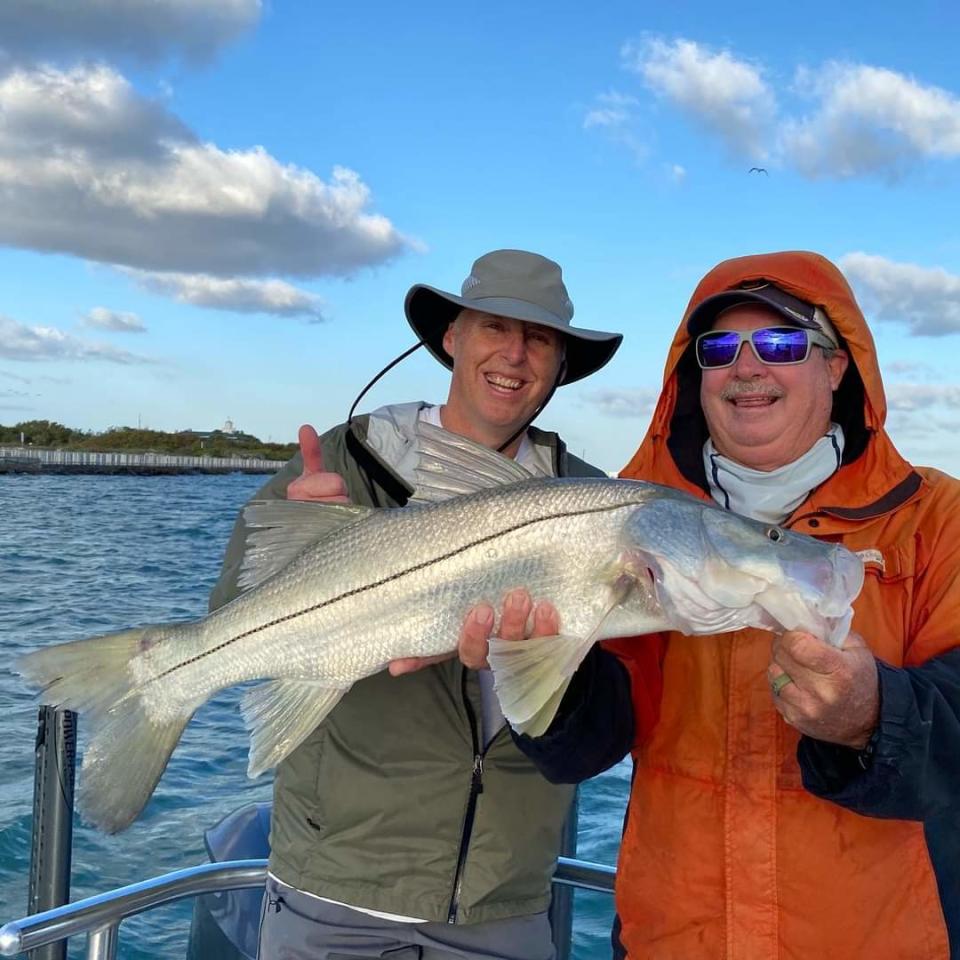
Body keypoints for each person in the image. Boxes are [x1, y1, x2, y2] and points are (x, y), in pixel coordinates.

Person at [466, 250, 960, 958]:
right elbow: (589, 747)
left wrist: (877, 717)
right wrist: (544, 663)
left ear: (837, 366)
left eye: (783, 343)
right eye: (720, 348)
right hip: (671, 938)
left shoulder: (940, 519)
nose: (748, 367)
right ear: (696, 377)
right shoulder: (629, 524)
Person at [209, 249, 623, 960]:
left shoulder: (592, 502)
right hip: (333, 896)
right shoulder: (341, 461)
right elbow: (229, 615)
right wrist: (307, 553)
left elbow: (605, 731)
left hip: (506, 907)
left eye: (541, 339)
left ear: (560, 365)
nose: (516, 355)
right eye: (495, 326)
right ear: (452, 338)